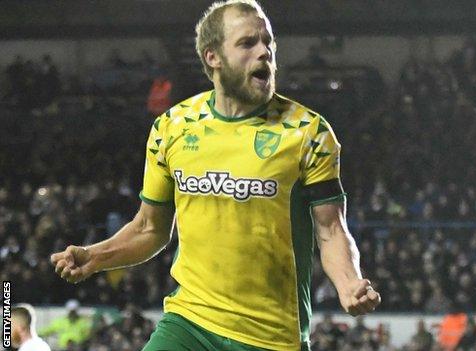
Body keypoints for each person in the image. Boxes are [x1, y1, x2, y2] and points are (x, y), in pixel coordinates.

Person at [50, 1, 381, 351]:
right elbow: (150, 229)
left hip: (269, 336)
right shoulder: (172, 127)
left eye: (268, 42)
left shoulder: (308, 132)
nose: (264, 52)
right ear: (213, 57)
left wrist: (348, 285)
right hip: (189, 322)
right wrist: (96, 257)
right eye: (247, 43)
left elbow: (330, 229)